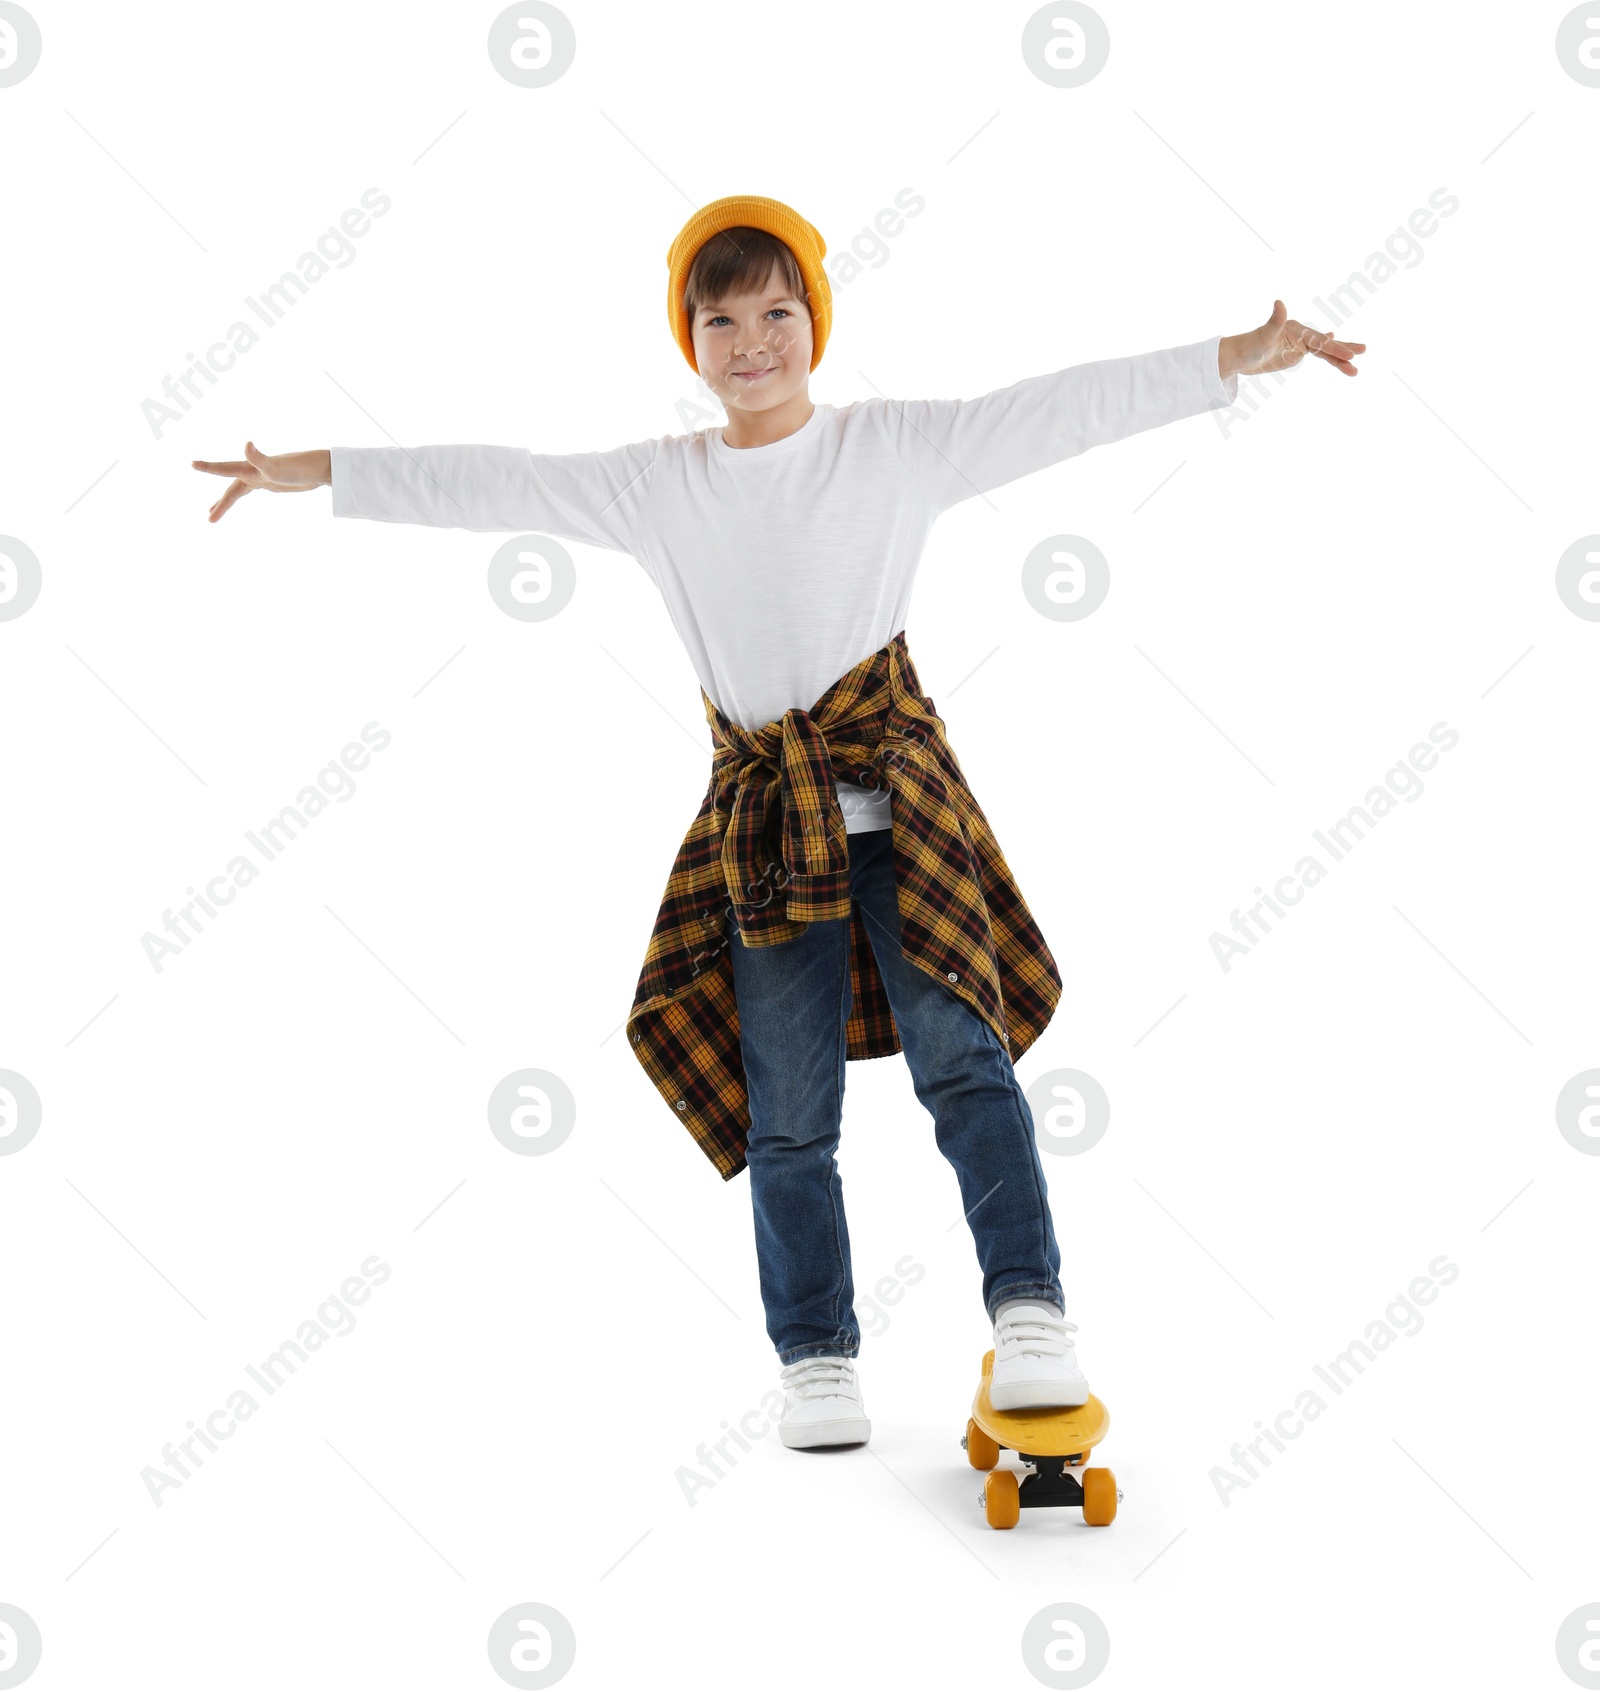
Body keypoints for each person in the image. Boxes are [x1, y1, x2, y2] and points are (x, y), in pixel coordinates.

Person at [194, 194, 1364, 1452]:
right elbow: (500, 483)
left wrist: (1233, 357)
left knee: (965, 1066)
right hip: (766, 834)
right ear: (687, 341)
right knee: (787, 1113)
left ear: (814, 317)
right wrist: (315, 471)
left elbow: (1060, 409)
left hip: (905, 818)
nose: (752, 340)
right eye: (721, 318)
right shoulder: (658, 485)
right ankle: (816, 1356)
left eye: (776, 310)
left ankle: (1030, 1314)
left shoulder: (896, 447)